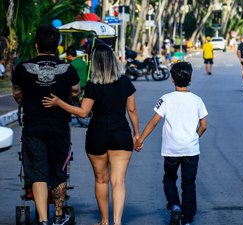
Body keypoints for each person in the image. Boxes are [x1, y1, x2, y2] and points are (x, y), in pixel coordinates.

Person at [42, 43, 140, 225]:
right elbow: (132, 110)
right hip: (121, 133)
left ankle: (104, 221)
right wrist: (136, 134)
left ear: (94, 63)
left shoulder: (93, 85)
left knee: (101, 180)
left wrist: (59, 103)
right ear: (112, 61)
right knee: (118, 181)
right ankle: (117, 222)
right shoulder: (125, 82)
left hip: (97, 135)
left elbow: (83, 112)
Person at [11, 25, 80, 225]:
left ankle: (42, 220)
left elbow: (17, 94)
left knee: (37, 173)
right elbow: (75, 92)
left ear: (36, 45)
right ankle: (58, 216)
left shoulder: (23, 68)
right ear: (57, 45)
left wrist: (28, 102)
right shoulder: (67, 68)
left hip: (34, 128)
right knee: (59, 171)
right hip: (59, 128)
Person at [134, 62, 208, 225]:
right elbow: (204, 125)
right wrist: (194, 137)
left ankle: (175, 206)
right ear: (190, 78)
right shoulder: (197, 100)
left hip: (171, 150)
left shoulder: (166, 99)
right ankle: (188, 217)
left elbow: (153, 122)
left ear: (172, 79)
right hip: (191, 149)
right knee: (189, 183)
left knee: (169, 178)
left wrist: (140, 140)